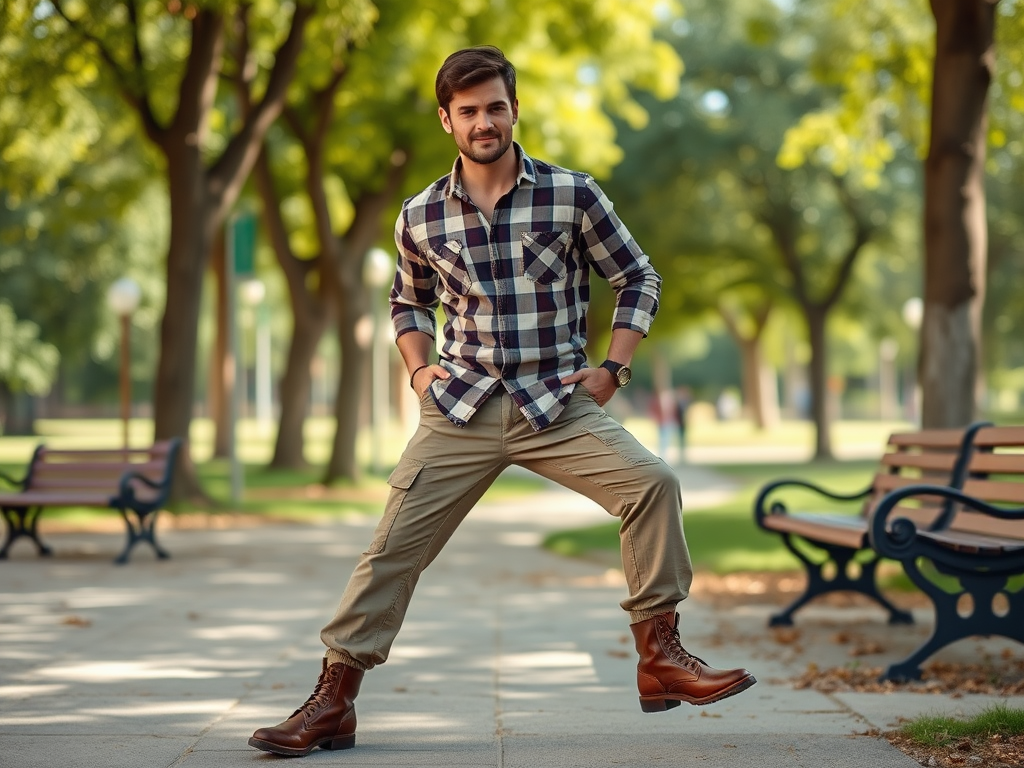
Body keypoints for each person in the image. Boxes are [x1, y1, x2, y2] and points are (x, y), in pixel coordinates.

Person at [248, 45, 755, 758]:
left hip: (557, 403)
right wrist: (419, 371)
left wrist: (615, 365)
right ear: (446, 121)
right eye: (468, 112)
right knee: (389, 552)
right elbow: (407, 301)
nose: (483, 121)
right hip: (459, 408)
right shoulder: (420, 213)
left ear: (514, 110)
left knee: (653, 486)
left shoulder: (573, 194)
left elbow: (638, 277)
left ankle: (659, 657)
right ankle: (333, 700)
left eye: (494, 107)